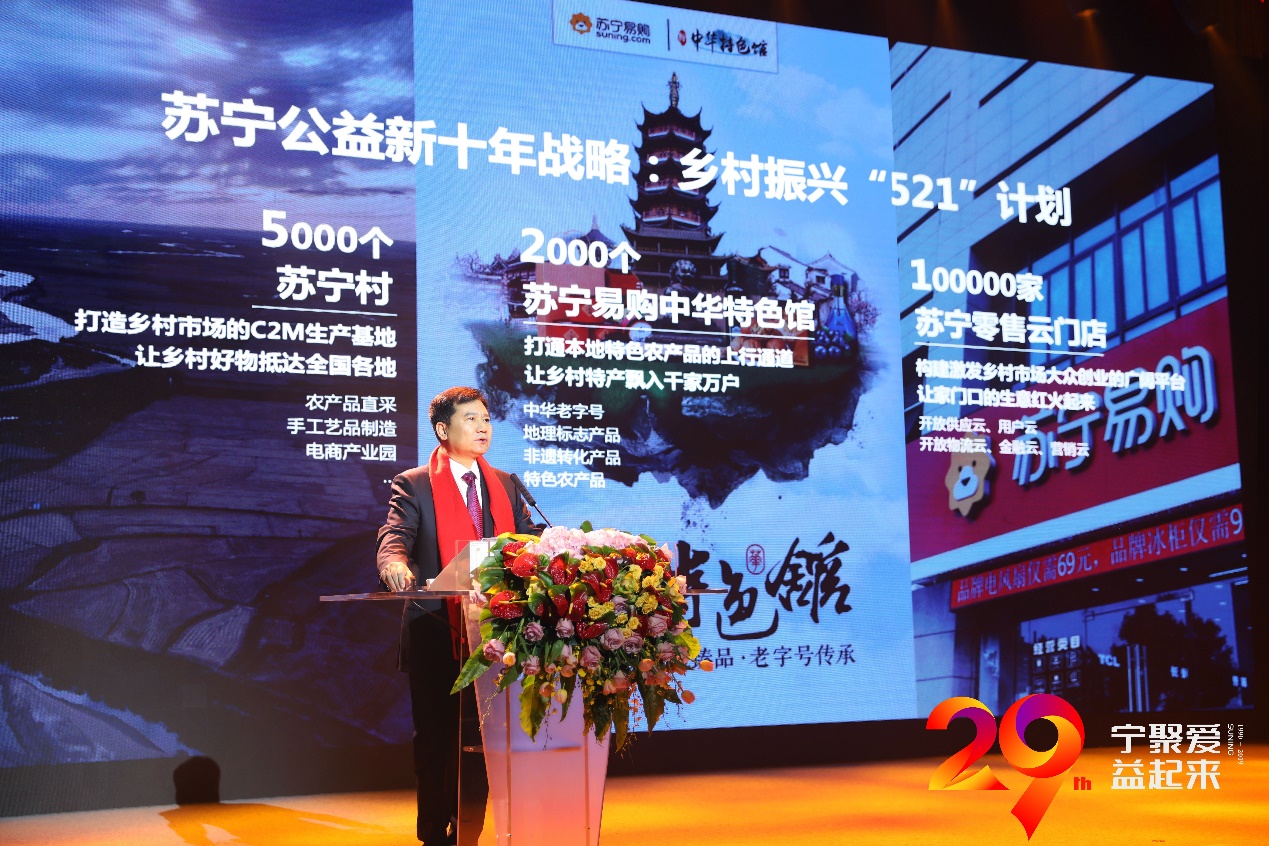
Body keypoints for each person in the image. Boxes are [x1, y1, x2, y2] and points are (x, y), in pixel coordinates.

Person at [376, 386, 536, 845]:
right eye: (471, 419)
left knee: (486, 742)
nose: (483, 427)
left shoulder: (505, 484)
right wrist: (394, 563)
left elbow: (529, 539)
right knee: (437, 740)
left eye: (486, 419)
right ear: (443, 429)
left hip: (498, 634)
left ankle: (472, 831)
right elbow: (394, 535)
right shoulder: (414, 483)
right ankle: (435, 835)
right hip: (437, 630)